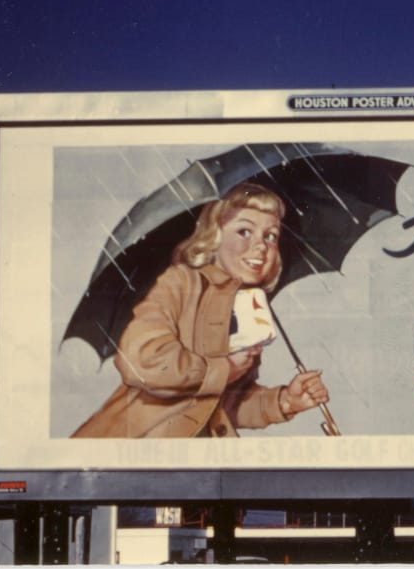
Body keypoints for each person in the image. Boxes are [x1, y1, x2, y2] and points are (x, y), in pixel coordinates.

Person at [72, 182, 330, 439]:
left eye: (270, 235)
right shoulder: (181, 282)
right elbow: (143, 359)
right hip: (140, 442)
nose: (261, 245)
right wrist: (224, 368)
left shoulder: (248, 305)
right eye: (244, 231)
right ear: (214, 237)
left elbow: (217, 404)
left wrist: (285, 401)